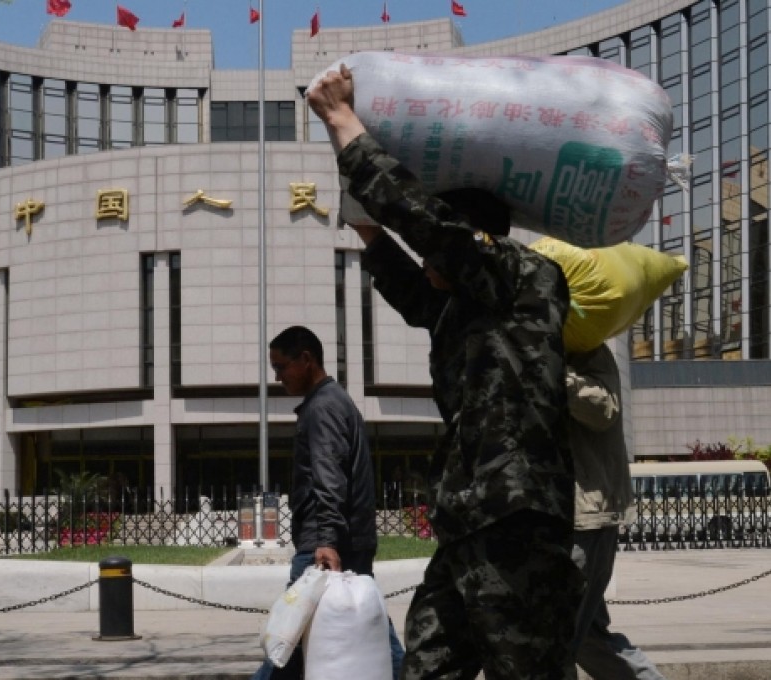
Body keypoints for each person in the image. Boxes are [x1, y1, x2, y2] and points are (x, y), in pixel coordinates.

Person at [307, 64, 583, 680]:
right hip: (468, 520)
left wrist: (346, 125)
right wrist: (371, 235)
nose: (424, 261)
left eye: (434, 252)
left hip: (516, 519)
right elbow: (409, 286)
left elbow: (431, 227)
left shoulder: (523, 279)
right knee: (428, 664)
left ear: (467, 243)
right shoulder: (464, 308)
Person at [253, 325, 403, 680]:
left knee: (287, 639)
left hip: (326, 545)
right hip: (343, 541)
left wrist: (326, 540)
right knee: (372, 633)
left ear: (306, 360)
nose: (277, 377)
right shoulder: (335, 401)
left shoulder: (323, 407)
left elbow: (329, 477)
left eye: (281, 366)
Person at [566, 342, 667, 680]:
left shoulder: (585, 348)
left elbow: (603, 409)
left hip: (584, 516)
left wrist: (551, 372)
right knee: (588, 638)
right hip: (545, 516)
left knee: (556, 635)